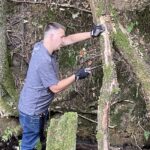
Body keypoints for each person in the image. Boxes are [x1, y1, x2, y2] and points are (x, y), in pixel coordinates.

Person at [18, 22, 105, 150]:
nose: (63, 40)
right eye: (61, 37)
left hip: (36, 108)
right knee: (28, 144)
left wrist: (91, 34)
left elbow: (68, 40)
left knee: (38, 139)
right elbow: (55, 87)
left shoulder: (42, 45)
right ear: (51, 37)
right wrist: (76, 76)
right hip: (32, 111)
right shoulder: (43, 60)